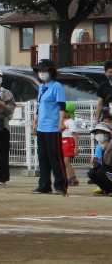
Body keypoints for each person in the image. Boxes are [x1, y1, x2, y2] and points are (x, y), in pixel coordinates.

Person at [31, 58, 68, 196]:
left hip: (52, 126)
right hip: (42, 126)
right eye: (40, 70)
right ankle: (44, 184)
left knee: (55, 157)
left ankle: (61, 185)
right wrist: (35, 122)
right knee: (43, 157)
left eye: (45, 70)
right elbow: (39, 106)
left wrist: (61, 121)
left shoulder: (56, 86)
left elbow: (62, 105)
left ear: (51, 72)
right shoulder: (41, 87)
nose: (42, 73)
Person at [87, 122, 112, 195]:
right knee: (92, 172)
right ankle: (106, 189)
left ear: (107, 133)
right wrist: (95, 163)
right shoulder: (99, 146)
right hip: (106, 169)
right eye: (96, 133)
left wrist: (105, 149)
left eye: (100, 132)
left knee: (101, 172)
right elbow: (99, 162)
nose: (98, 135)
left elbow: (108, 163)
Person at [62, 102, 79, 187]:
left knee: (66, 161)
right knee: (64, 161)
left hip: (68, 141)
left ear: (68, 113)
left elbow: (75, 135)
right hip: (62, 141)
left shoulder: (70, 122)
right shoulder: (61, 121)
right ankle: (68, 178)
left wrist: (76, 147)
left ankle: (73, 178)